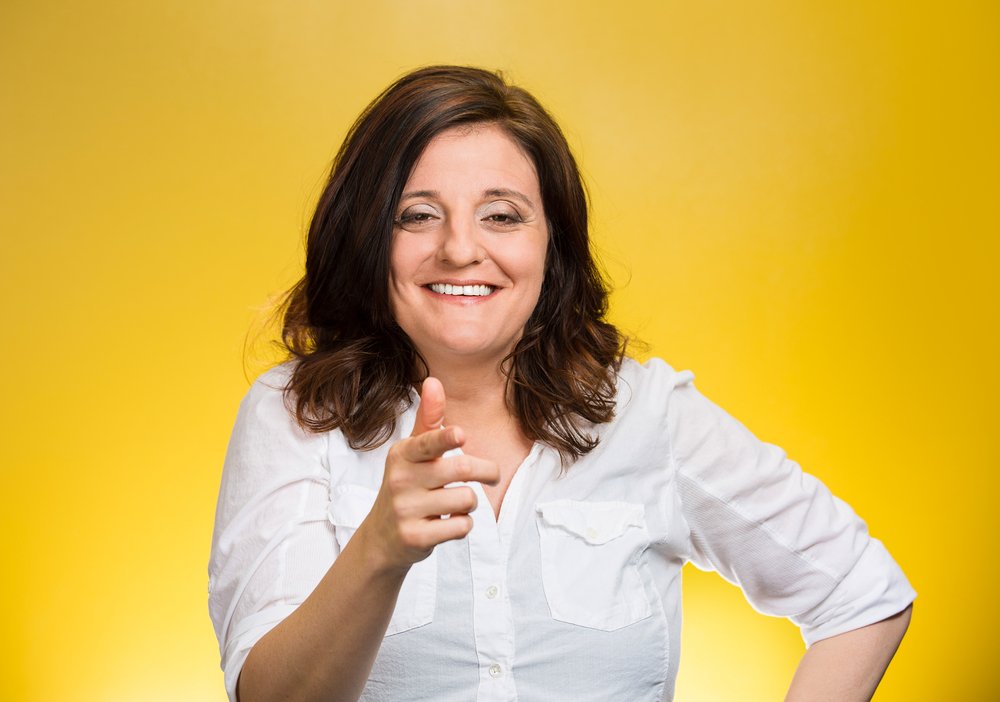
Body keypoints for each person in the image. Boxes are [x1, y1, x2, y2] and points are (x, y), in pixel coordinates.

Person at [208, 65, 915, 702]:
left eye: (503, 215)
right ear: (365, 238)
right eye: (418, 215)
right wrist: (378, 552)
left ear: (554, 244)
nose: (460, 247)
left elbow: (861, 593)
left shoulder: (646, 414)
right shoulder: (294, 416)